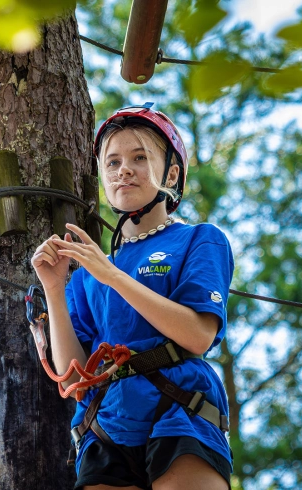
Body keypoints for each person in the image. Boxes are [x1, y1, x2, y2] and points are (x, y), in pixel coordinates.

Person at [31, 104, 233, 490]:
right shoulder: (88, 277)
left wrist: (114, 276)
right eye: (113, 162)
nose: (124, 169)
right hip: (108, 418)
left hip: (181, 407)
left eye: (140, 157)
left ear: (171, 173)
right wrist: (55, 290)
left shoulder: (198, 239)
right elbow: (75, 373)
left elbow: (198, 335)